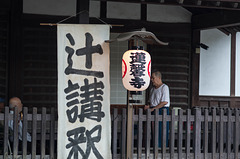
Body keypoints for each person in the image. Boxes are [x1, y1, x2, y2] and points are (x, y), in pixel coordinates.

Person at [144, 70, 170, 148]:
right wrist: (149, 107)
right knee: (153, 131)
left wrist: (153, 109)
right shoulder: (152, 89)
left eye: (153, 78)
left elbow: (164, 102)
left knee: (161, 131)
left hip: (162, 110)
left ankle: (161, 148)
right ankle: (154, 147)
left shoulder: (164, 87)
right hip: (153, 110)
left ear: (159, 78)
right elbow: (151, 102)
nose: (152, 80)